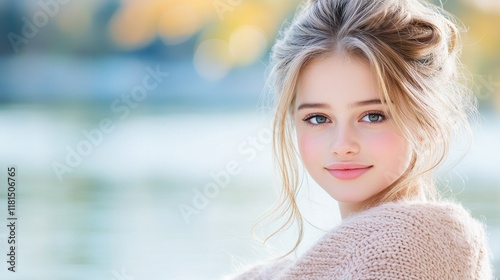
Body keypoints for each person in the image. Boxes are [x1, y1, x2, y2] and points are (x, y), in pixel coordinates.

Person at [228, 0, 493, 279]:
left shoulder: (418, 244)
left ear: (425, 120)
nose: (342, 145)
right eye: (318, 118)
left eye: (373, 116)